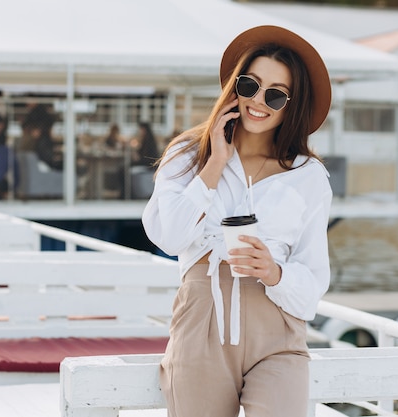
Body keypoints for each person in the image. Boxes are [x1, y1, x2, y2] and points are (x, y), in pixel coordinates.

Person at [142, 25, 333, 417]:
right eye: (250, 85)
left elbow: (313, 284)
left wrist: (274, 272)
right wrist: (214, 163)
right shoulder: (187, 155)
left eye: (276, 94)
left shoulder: (309, 177)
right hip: (201, 328)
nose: (259, 101)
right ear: (235, 87)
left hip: (278, 334)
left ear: (290, 106)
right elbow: (169, 237)